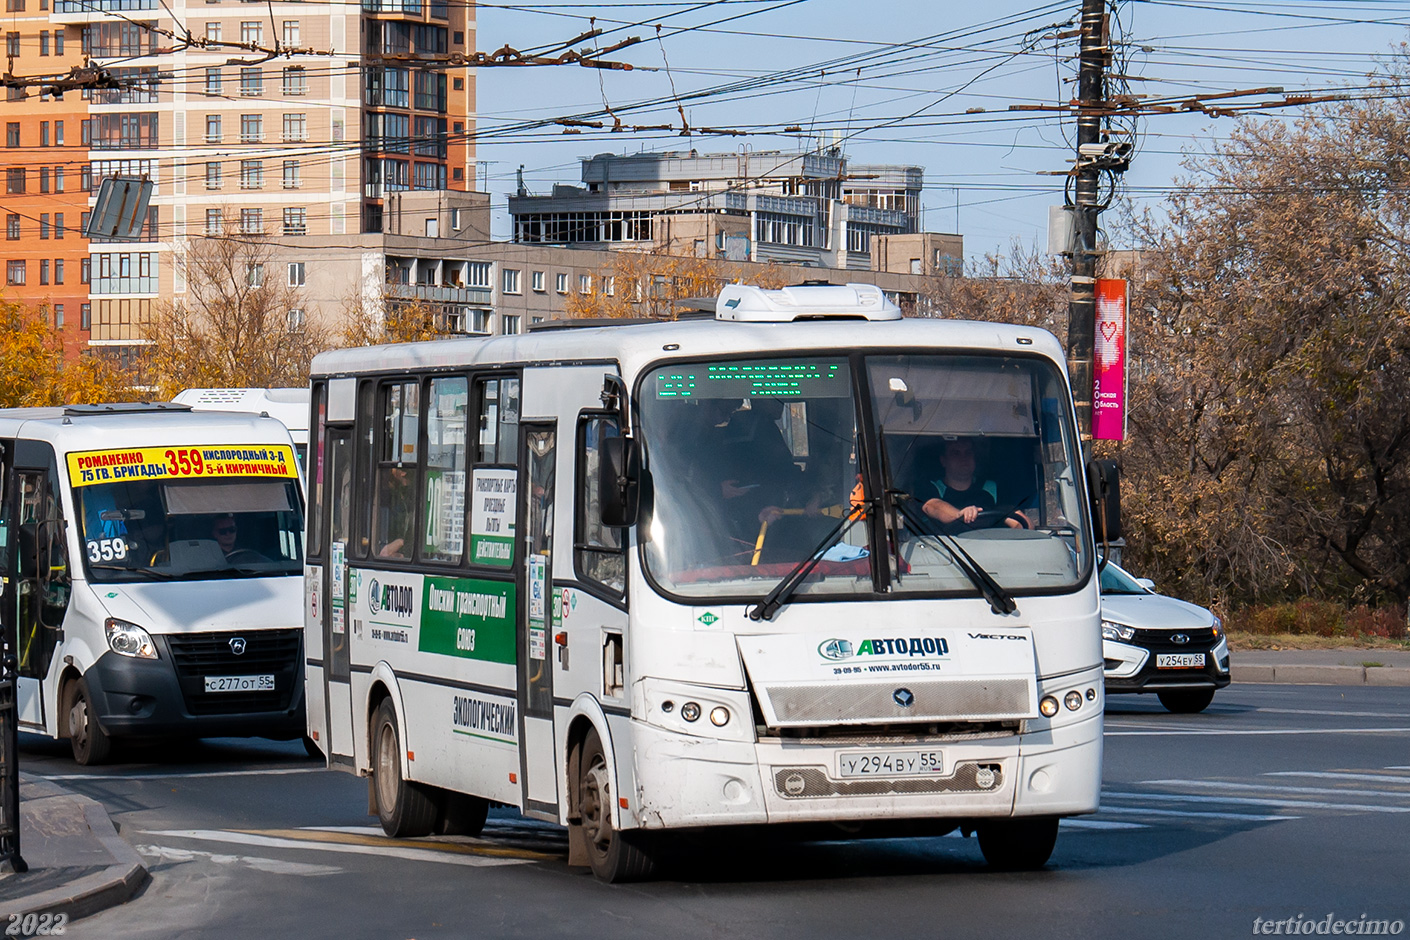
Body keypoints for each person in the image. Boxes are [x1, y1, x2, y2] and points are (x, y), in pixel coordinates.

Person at [919, 438, 1030, 530]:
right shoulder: (930, 487)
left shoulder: (992, 487)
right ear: (943, 460)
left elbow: (1020, 522)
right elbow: (933, 506)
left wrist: (1021, 530)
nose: (963, 458)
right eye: (956, 453)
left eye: (968, 452)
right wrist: (961, 516)